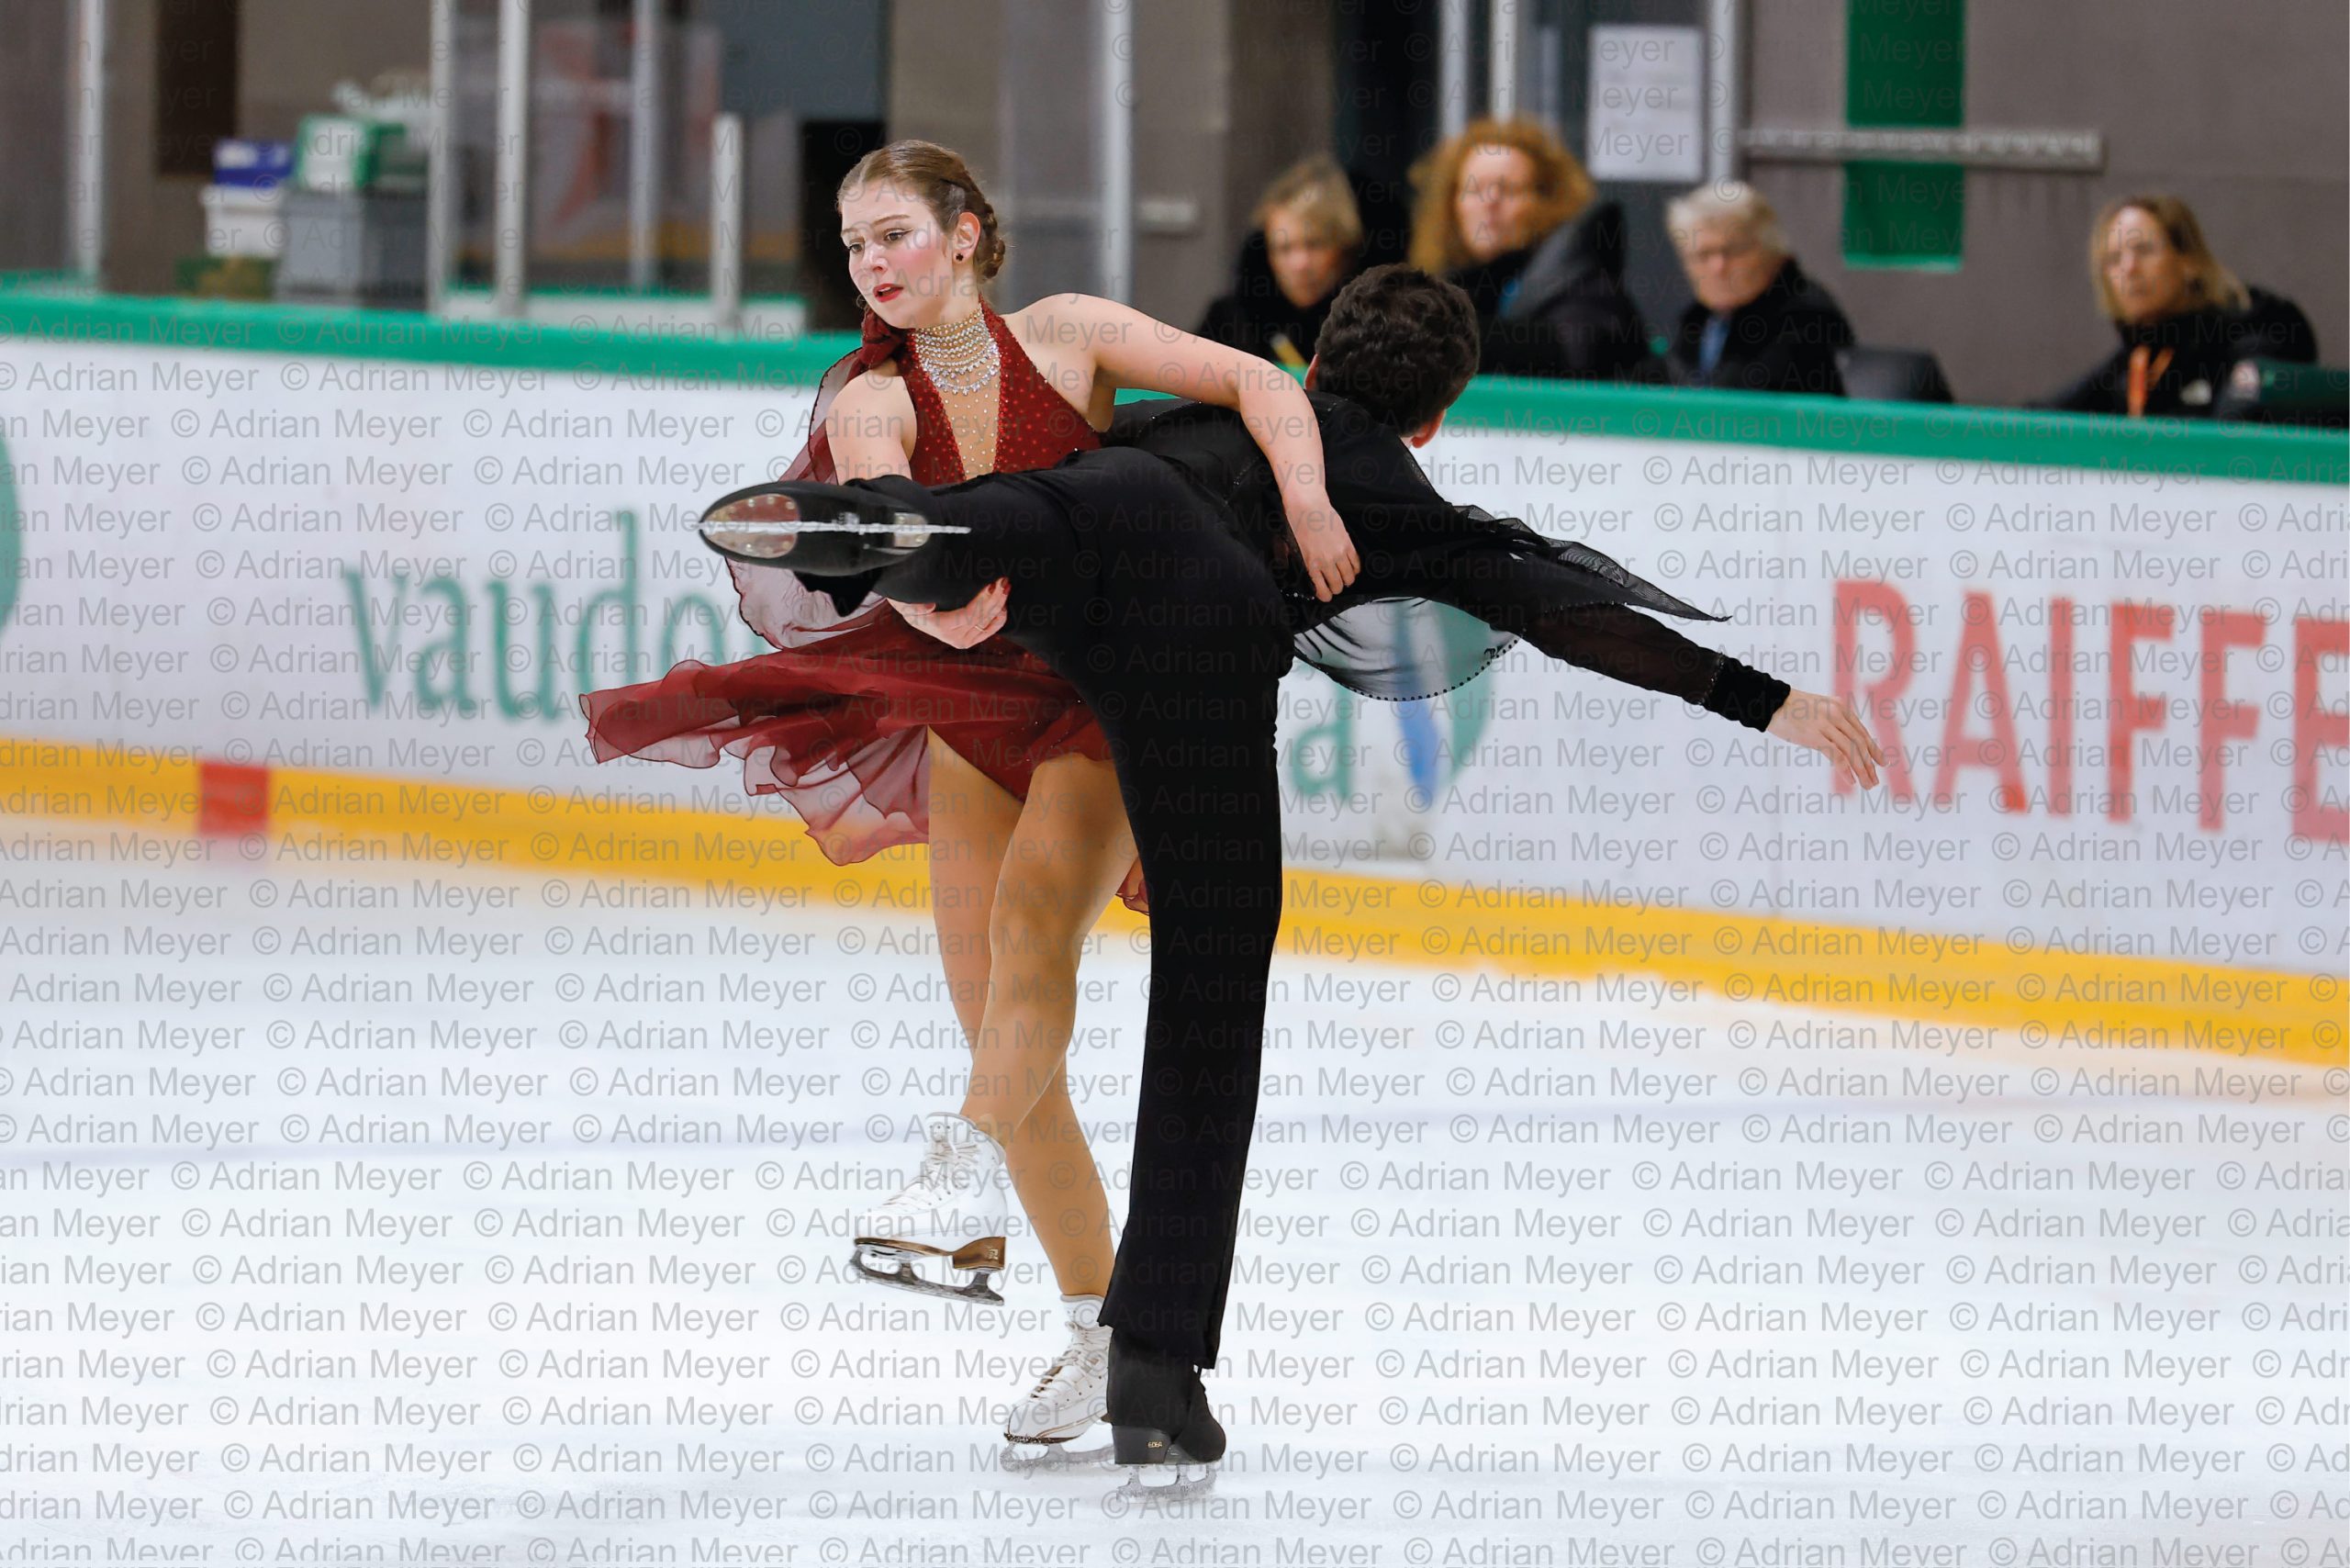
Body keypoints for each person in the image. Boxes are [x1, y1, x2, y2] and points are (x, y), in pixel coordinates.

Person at [717, 263, 1886, 1484]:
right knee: (1212, 997)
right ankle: (1155, 1378)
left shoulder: (1212, 408)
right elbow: (1560, 605)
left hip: (1090, 528)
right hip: (1206, 637)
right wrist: (1762, 701)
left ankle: (907, 539)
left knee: (1020, 521)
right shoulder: (1389, 485)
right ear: (1435, 416)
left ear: (1312, 364)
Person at [577, 138, 1348, 1456]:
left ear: (971, 233)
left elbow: (1256, 378)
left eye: (897, 236)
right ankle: (1101, 1329)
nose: (874, 267)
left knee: (1036, 924)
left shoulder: (1070, 335)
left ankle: (955, 1169)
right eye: (855, 246)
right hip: (972, 710)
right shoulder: (873, 391)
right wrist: (917, 614)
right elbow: (879, 505)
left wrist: (1311, 498)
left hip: (1106, 690)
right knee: (993, 1017)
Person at [1406, 117, 1660, 382]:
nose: (1489, 203)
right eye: (1474, 189)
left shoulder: (1583, 285)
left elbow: (1574, 355)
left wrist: (1440, 333)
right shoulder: (1454, 280)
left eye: (1508, 190)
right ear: (1451, 204)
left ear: (1549, 202)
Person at [2036, 193, 2319, 418]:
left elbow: (2231, 436)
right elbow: (2038, 420)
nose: (2129, 269)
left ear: (2190, 262)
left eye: (2144, 250)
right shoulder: (2136, 357)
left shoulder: (2261, 331)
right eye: (2113, 259)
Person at [1664, 182, 1855, 396]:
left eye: (1732, 250)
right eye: (1702, 255)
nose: (1718, 267)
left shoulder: (1807, 317)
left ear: (1771, 249)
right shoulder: (1699, 320)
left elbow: (1743, 404)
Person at [1196, 154, 1364, 369]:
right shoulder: (1229, 324)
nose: (1300, 264)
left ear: (1344, 247)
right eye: (1284, 248)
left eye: (1314, 244)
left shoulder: (1371, 327)